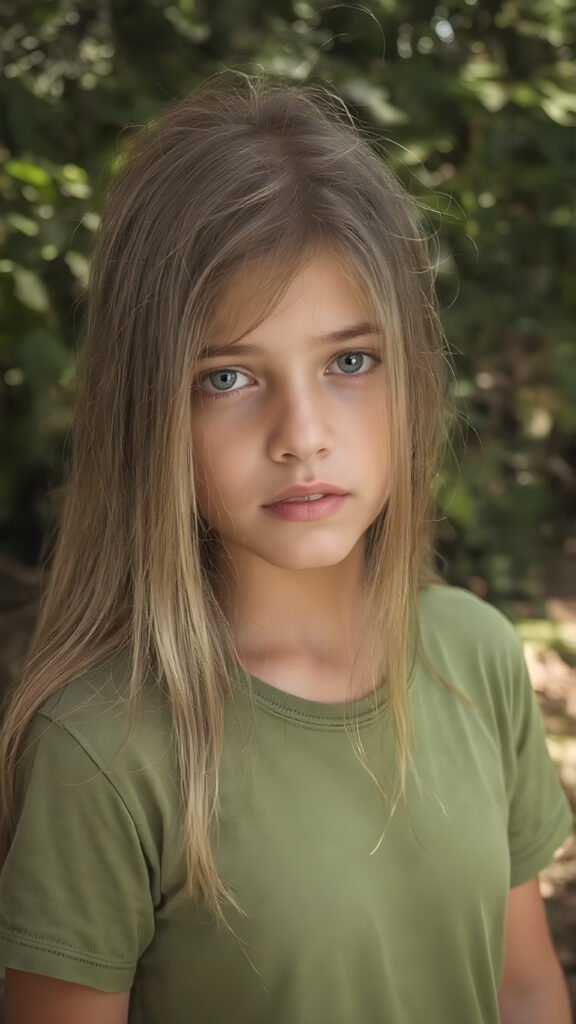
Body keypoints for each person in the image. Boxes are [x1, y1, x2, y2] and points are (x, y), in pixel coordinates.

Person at [0, 71, 572, 1024]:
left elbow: (521, 988)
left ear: (412, 373)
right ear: (151, 412)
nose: (302, 432)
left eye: (350, 362)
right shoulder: (104, 750)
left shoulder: (474, 656)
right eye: (228, 376)